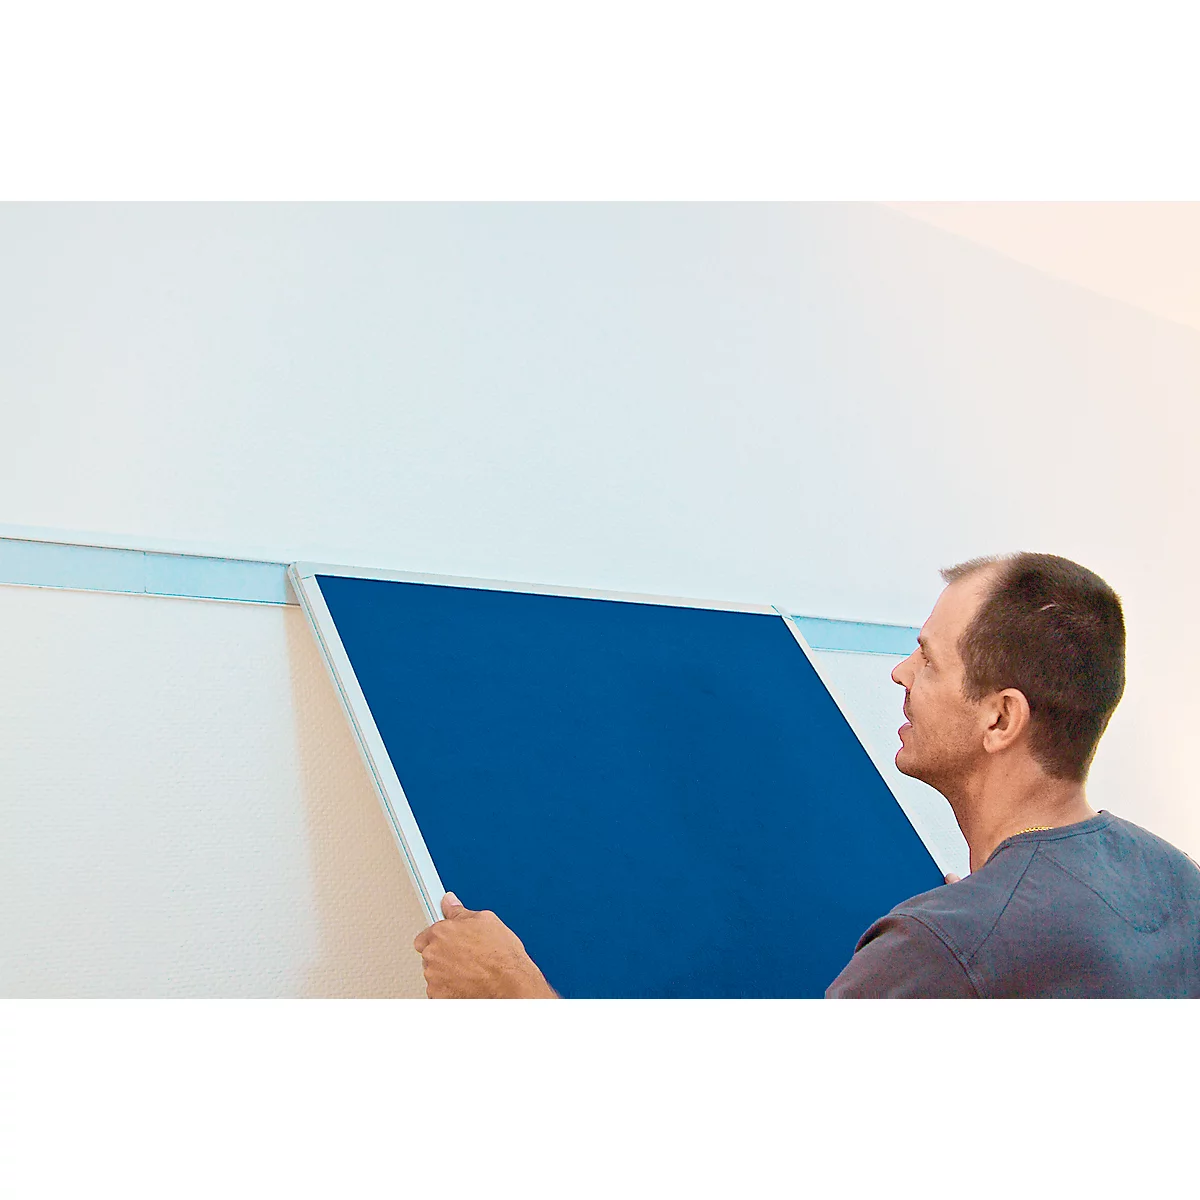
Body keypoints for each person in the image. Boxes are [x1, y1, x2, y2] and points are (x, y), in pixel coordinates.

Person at [413, 552, 1200, 998]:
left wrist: (515, 999)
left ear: (1000, 718)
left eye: (926, 659)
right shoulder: (1172, 882)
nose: (899, 674)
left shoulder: (944, 949)